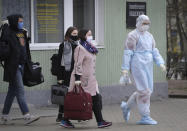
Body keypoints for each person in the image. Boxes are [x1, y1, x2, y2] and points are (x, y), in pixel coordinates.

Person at [120, 14, 166, 125]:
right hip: (137, 65)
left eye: (147, 23)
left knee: (147, 90)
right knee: (144, 91)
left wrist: (160, 62)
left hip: (148, 65)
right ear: (139, 23)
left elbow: (154, 50)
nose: (146, 25)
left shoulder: (149, 36)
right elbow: (128, 52)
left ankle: (126, 107)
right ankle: (145, 116)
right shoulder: (132, 35)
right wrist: (125, 69)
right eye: (144, 23)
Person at [64, 29, 112, 128]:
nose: (91, 36)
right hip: (81, 79)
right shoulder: (80, 48)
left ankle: (100, 121)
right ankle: (100, 121)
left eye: (91, 34)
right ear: (84, 35)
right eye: (89, 34)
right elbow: (78, 63)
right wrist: (77, 78)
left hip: (90, 79)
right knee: (79, 98)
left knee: (94, 98)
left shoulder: (90, 48)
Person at [0, 14, 40, 125]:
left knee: (12, 91)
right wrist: (4, 29)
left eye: (22, 21)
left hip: (22, 65)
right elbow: (4, 50)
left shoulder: (21, 32)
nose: (21, 23)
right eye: (19, 21)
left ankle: (4, 116)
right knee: (20, 90)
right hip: (13, 66)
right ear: (14, 21)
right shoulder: (8, 33)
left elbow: (24, 48)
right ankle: (27, 115)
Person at [56, 27, 79, 125]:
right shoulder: (63, 45)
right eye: (74, 34)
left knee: (77, 94)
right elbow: (59, 62)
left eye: (77, 34)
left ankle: (78, 114)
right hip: (66, 73)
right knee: (64, 94)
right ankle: (60, 114)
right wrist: (59, 77)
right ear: (69, 34)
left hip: (76, 73)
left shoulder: (78, 45)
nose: (75, 36)